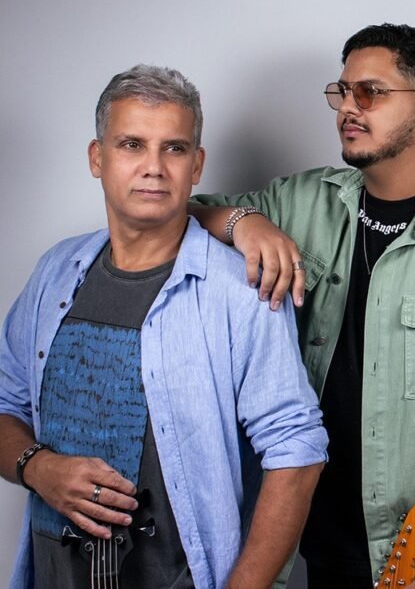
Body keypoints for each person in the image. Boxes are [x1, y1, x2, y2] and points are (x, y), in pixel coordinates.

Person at [189, 23, 415, 589]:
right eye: (342, 91)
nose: (348, 107)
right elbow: (177, 215)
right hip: (319, 550)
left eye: (371, 92)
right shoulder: (304, 201)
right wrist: (245, 222)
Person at [0, 65, 328, 589]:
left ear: (196, 165)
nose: (153, 167)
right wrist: (37, 468)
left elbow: (298, 451)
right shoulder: (56, 271)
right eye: (132, 144)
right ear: (97, 158)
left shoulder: (239, 290)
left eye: (173, 148)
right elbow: (5, 402)